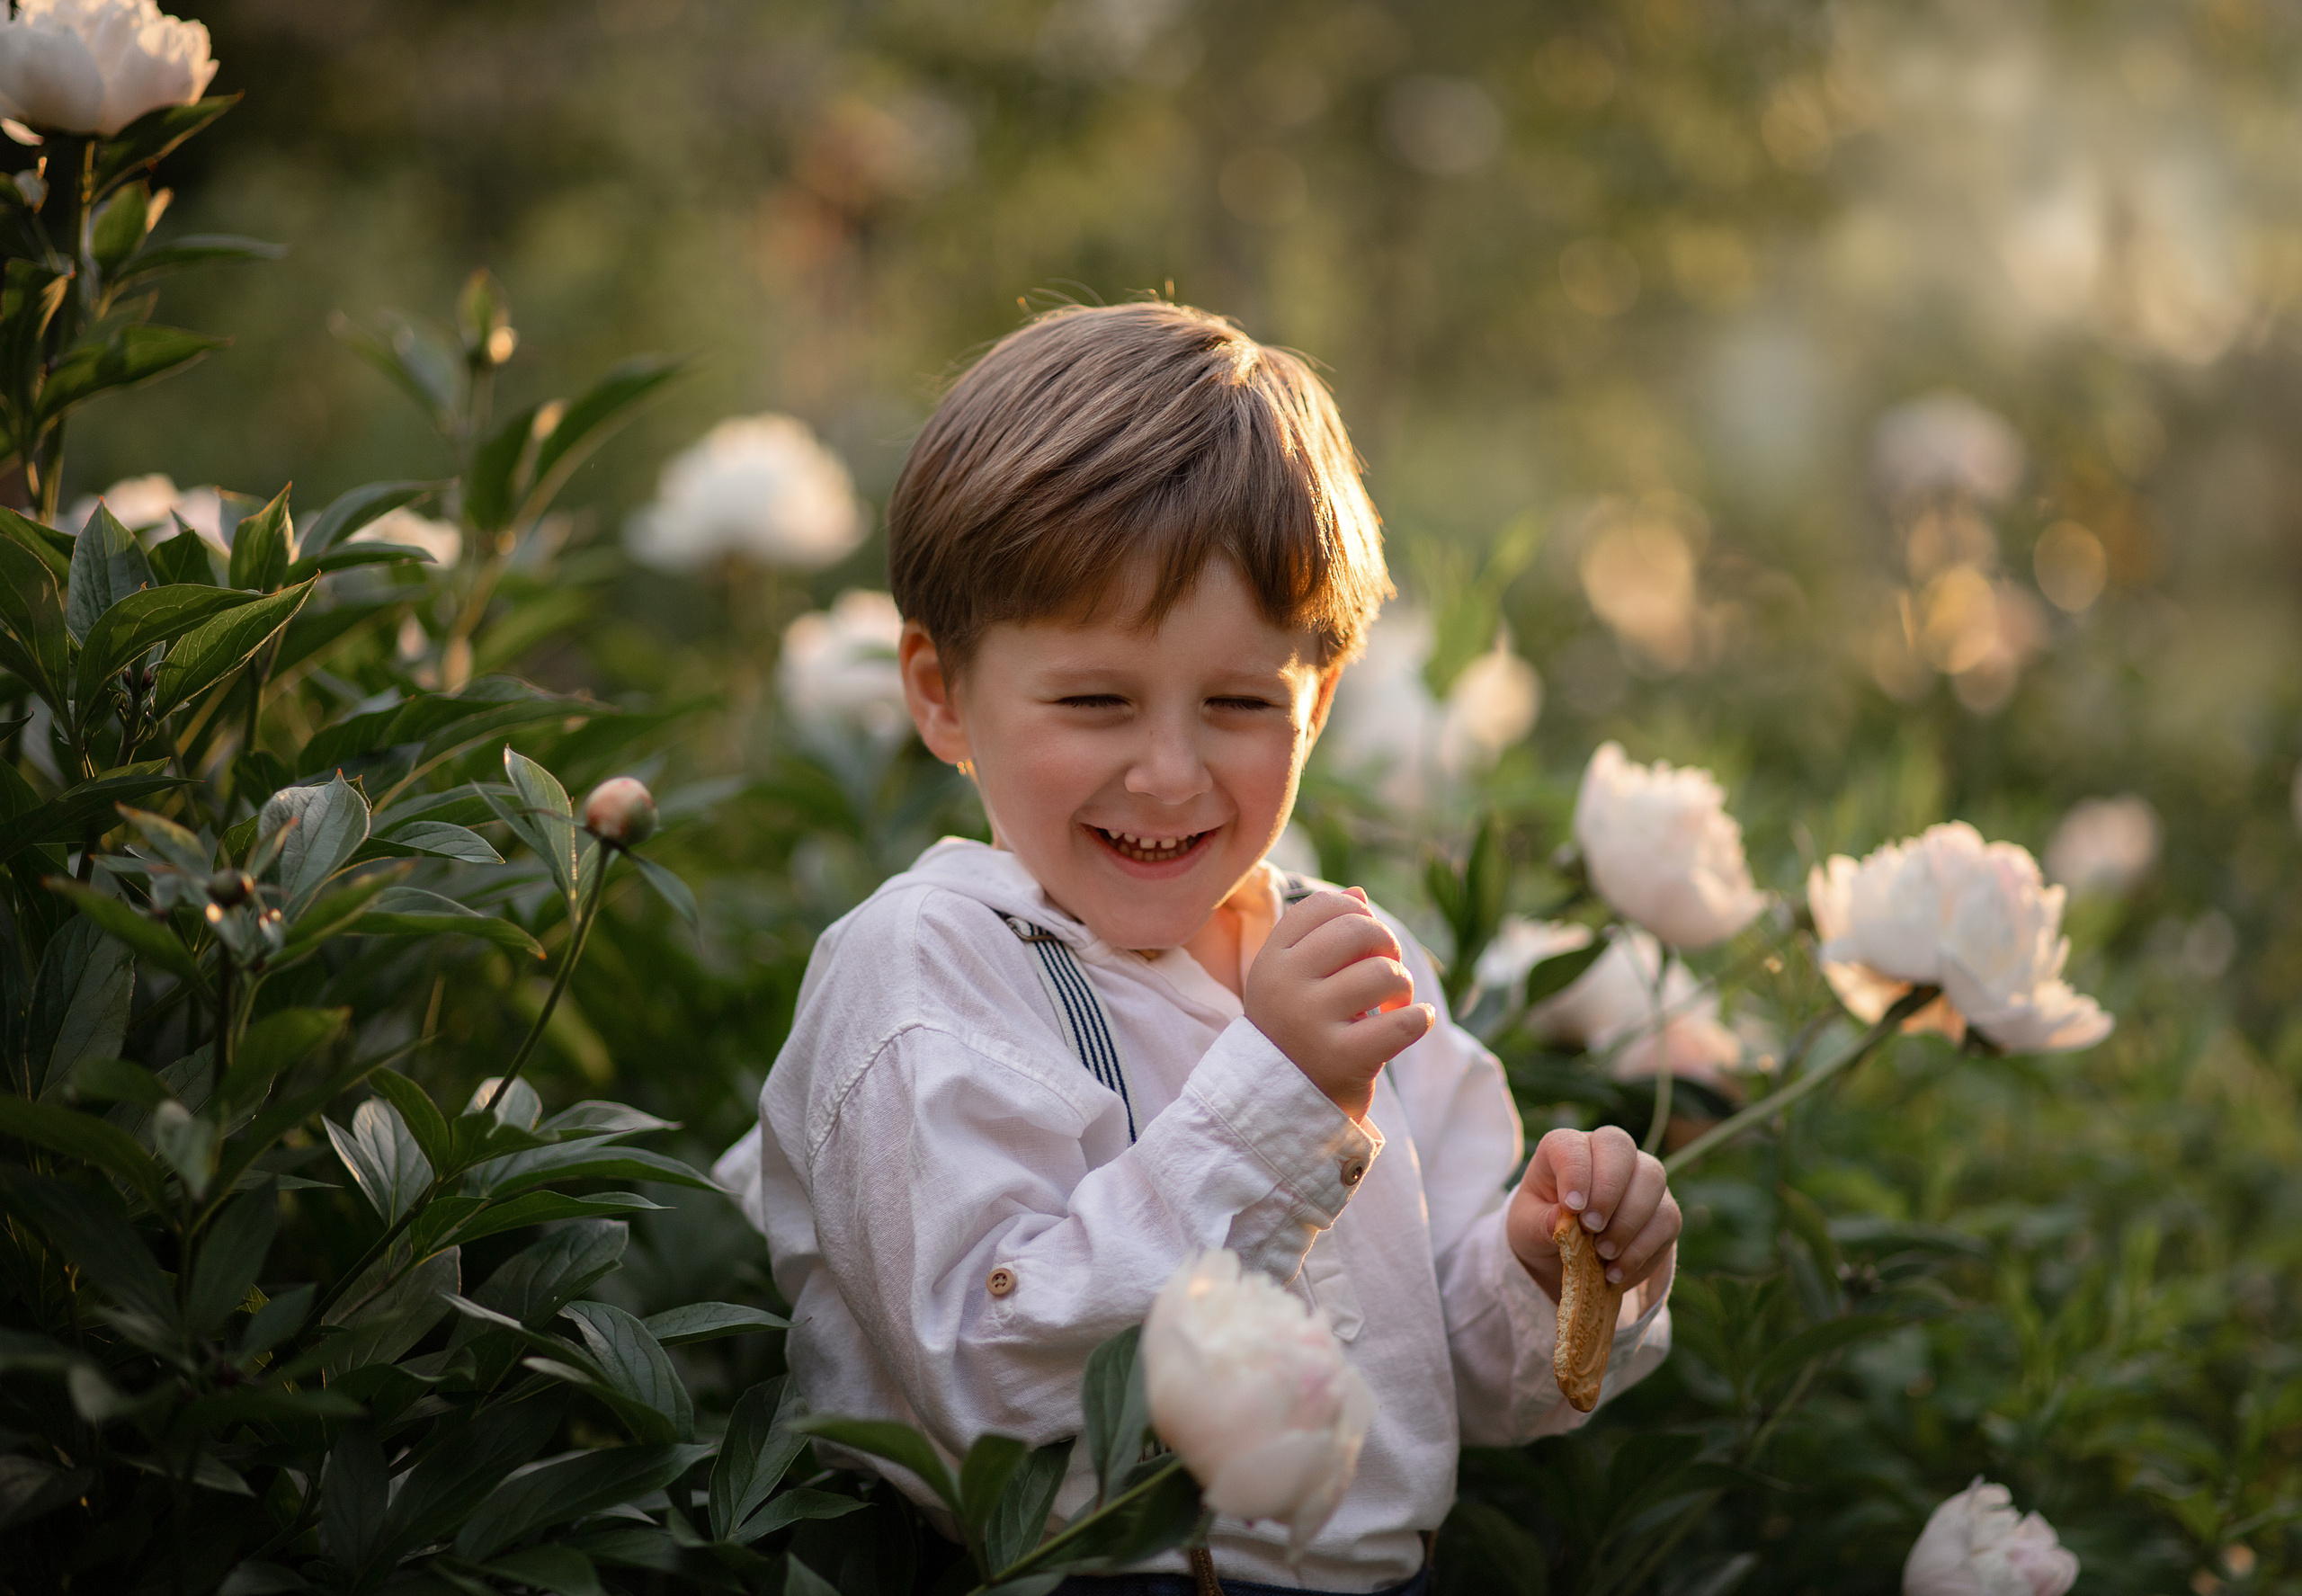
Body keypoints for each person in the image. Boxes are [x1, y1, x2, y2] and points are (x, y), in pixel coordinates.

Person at [714, 301, 1681, 1594]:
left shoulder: (1354, 963)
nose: (1168, 774)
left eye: (1237, 705)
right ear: (943, 694)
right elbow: (981, 1376)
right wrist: (1279, 1100)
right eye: (1095, 700)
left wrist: (1545, 1266)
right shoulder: (929, 969)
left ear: (1319, 700)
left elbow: (1447, 1381)